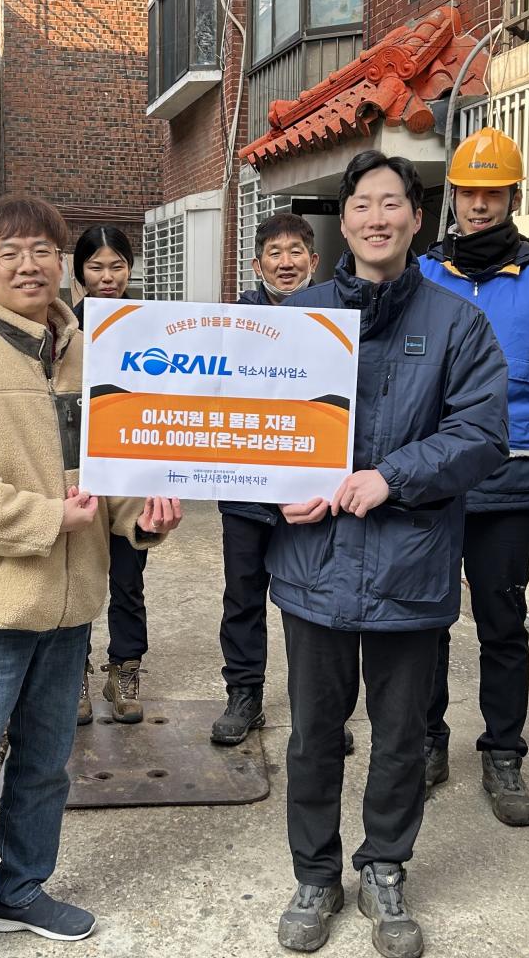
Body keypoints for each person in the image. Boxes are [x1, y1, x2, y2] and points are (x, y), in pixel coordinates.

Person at [0, 194, 182, 955]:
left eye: (42, 251)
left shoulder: (99, 355)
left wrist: (143, 517)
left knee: (46, 765)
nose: (28, 266)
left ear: (63, 262)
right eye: (9, 253)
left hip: (71, 605)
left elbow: (118, 466)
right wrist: (44, 517)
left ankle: (18, 891)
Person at [269, 152, 508, 958]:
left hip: (412, 561)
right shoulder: (296, 319)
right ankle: (315, 873)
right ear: (344, 221)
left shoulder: (457, 323)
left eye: (392, 203)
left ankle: (384, 866)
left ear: (416, 217)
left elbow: (482, 433)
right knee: (313, 733)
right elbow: (254, 427)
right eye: (363, 204)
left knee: (402, 733)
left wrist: (391, 477)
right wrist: (277, 491)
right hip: (313, 561)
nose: (377, 218)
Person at [417, 128, 529, 824]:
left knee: (502, 622)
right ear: (454, 196)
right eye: (469, 192)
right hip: (430, 480)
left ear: (515, 197)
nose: (479, 205)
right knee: (424, 620)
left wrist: (519, 444)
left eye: (493, 193)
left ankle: (503, 754)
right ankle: (426, 740)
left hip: (509, 481)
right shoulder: (422, 273)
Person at [211, 212, 326, 747]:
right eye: (274, 253)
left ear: (313, 260)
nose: (286, 262)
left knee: (313, 604)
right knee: (243, 596)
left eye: (295, 251)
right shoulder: (231, 325)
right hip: (245, 490)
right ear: (257, 266)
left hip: (311, 492)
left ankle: (318, 712)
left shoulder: (336, 321)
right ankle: (244, 694)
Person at [70, 225, 150, 724]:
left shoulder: (152, 325)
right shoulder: (62, 328)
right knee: (78, 575)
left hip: (132, 470)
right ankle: (74, 671)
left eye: (117, 265)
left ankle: (124, 668)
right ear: (79, 272)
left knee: (128, 577)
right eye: (96, 266)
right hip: (77, 472)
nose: (107, 276)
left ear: (129, 269)